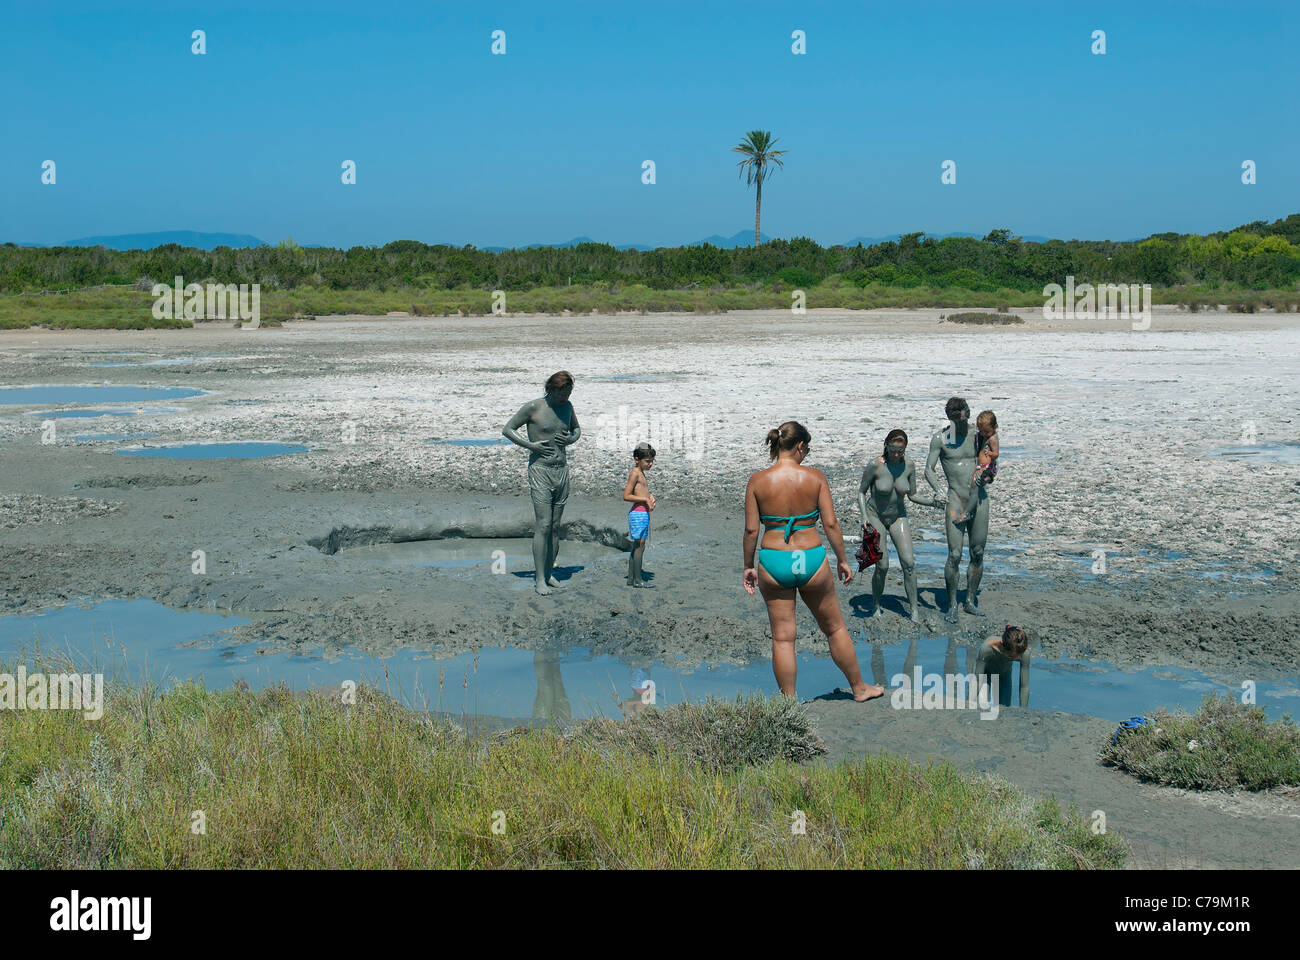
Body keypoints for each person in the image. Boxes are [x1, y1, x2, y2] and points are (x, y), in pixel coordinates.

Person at [743, 421, 883, 702]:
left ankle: (788, 702)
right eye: (807, 449)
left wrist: (748, 566)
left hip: (774, 560)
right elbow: (830, 524)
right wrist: (842, 559)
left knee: (783, 638)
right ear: (800, 446)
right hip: (811, 559)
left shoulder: (757, 482)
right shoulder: (815, 477)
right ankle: (859, 688)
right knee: (834, 628)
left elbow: (751, 531)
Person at [502, 371, 581, 595]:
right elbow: (507, 429)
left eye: (569, 393)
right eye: (563, 393)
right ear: (552, 389)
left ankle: (549, 573)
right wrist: (531, 446)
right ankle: (539, 580)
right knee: (544, 524)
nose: (566, 397)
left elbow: (577, 430)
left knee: (556, 526)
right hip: (540, 470)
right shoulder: (533, 407)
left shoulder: (568, 407)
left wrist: (571, 439)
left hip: (561, 469)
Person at [856, 428, 944, 622]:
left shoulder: (909, 466)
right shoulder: (875, 465)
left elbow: (912, 495)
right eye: (893, 449)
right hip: (875, 515)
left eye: (900, 451)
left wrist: (932, 503)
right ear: (886, 445)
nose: (896, 454)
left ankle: (913, 610)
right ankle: (876, 604)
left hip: (898, 516)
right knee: (883, 565)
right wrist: (864, 517)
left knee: (909, 563)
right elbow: (861, 492)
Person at [925, 397, 990, 622]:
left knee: (978, 552)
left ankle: (970, 601)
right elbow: (929, 470)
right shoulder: (941, 439)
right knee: (954, 554)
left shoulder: (979, 436)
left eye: (961, 421)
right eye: (954, 421)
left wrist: (989, 476)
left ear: (968, 413)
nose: (959, 426)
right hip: (955, 499)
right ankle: (952, 604)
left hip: (979, 498)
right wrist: (938, 490)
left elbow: (991, 462)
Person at [953, 410, 999, 526]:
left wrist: (989, 453)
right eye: (981, 431)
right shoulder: (985, 436)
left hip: (988, 467)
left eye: (986, 431)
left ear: (995, 427)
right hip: (982, 467)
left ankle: (967, 512)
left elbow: (996, 454)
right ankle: (986, 479)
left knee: (975, 487)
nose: (983, 434)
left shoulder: (993, 438)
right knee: (974, 486)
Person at [623, 442, 656, 587]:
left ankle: (632, 579)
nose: (650, 464)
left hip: (642, 514)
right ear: (637, 459)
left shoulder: (641, 474)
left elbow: (641, 492)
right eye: (647, 461)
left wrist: (650, 497)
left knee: (638, 546)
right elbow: (626, 495)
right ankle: (638, 580)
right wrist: (644, 499)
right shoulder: (635, 473)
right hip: (638, 514)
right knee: (639, 547)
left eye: (652, 461)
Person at [973, 625, 1030, 707]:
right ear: (1003, 645)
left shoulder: (1023, 653)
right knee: (979, 706)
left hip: (1004, 676)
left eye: (1017, 656)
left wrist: (1024, 711)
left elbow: (1024, 686)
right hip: (985, 675)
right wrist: (969, 703)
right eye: (1011, 656)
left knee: (1005, 709)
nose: (1015, 658)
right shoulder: (987, 648)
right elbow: (977, 681)